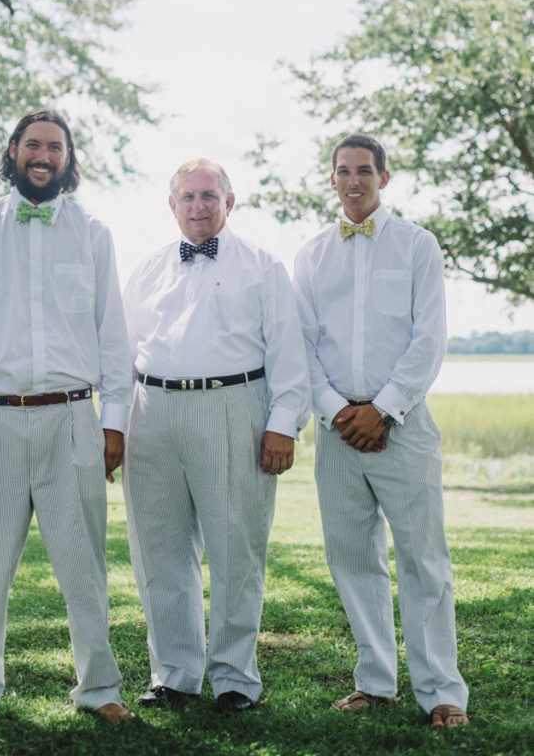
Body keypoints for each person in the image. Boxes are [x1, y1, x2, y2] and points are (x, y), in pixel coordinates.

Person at [0, 109, 133, 726]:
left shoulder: (93, 233)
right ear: (13, 150)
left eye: (57, 147)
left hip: (72, 418)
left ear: (69, 159)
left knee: (84, 565)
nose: (44, 155)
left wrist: (114, 419)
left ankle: (101, 690)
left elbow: (113, 333)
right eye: (34, 144)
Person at [292, 133, 469, 730]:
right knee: (352, 558)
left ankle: (442, 690)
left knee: (424, 560)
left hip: (404, 427)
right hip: (337, 432)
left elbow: (429, 341)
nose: (353, 180)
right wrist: (337, 410)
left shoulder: (419, 247)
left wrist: (383, 409)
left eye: (364, 170)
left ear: (384, 178)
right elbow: (304, 346)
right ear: (333, 179)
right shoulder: (311, 255)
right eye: (342, 171)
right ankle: (375, 681)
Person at [122, 159, 311, 712]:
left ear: (230, 203)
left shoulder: (263, 267)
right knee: (159, 552)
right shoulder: (148, 269)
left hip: (234, 407)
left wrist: (282, 426)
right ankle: (174, 674)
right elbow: (118, 353)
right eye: (188, 195)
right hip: (152, 412)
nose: (198, 205)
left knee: (237, 551)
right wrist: (112, 425)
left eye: (209, 195)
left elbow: (288, 354)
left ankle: (234, 679)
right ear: (172, 203)